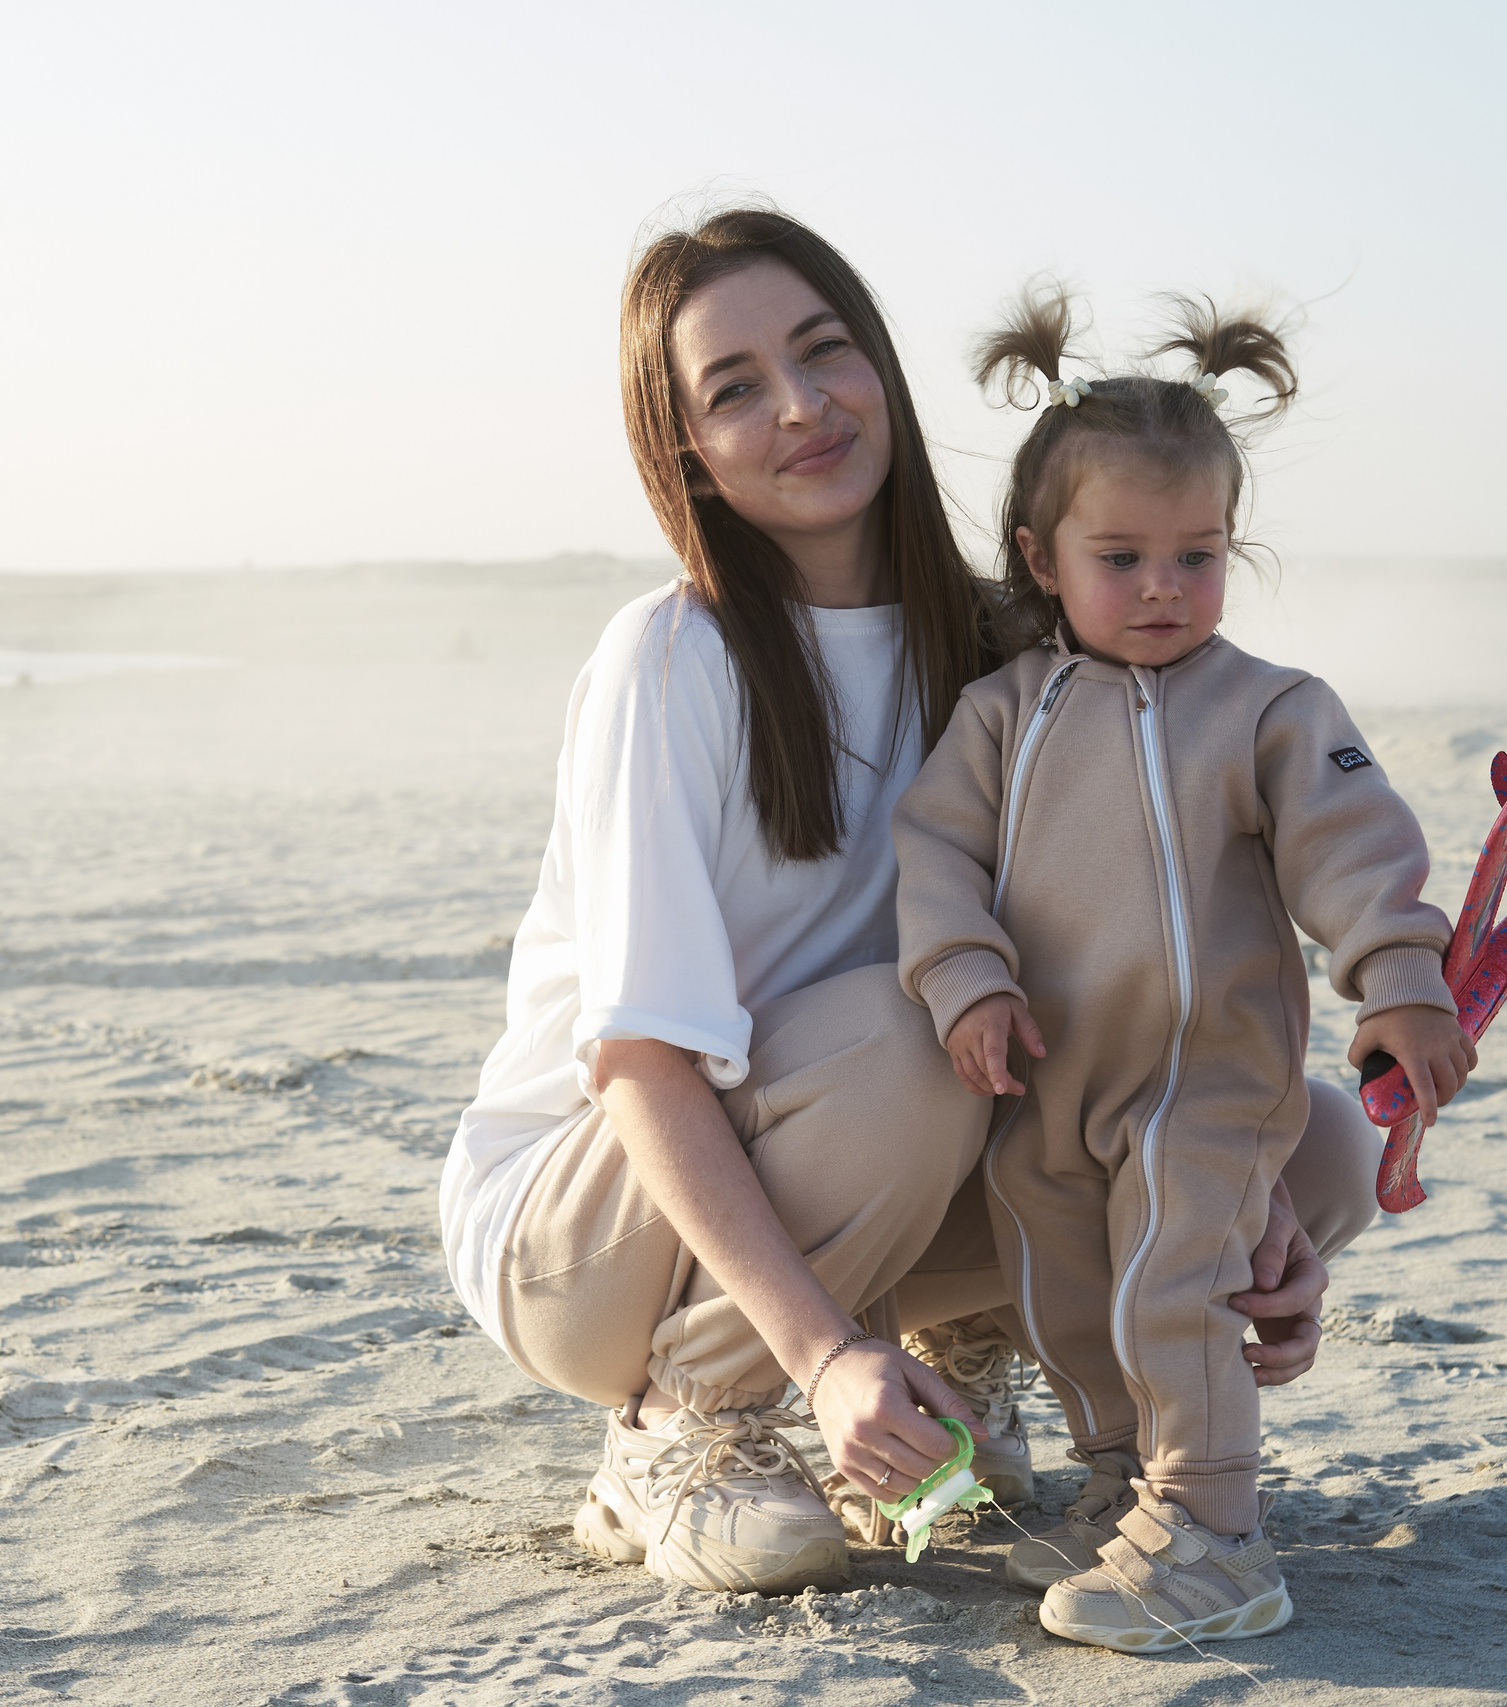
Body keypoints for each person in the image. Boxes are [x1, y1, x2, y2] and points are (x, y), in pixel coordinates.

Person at [438, 208, 1383, 1599]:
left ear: (882, 364)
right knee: (913, 1026)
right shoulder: (672, 658)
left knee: (1319, 1138)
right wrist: (820, 1356)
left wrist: (1246, 1197)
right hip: (594, 1236)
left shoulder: (1010, 646)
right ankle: (687, 1426)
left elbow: (1133, 970)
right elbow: (641, 1065)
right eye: (736, 388)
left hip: (875, 1163)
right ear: (683, 446)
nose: (804, 406)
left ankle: (956, 1364)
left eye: (827, 353)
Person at [892, 285, 1474, 1650]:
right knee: (1064, 1296)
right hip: (1044, 1082)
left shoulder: (1271, 708)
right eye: (1124, 555)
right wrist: (967, 980)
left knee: (1174, 1286)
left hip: (1202, 1083)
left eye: (1199, 553)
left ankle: (1214, 1530)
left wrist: (1396, 970)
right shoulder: (996, 717)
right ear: (1043, 556)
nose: (1165, 585)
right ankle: (1125, 1486)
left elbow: (1356, 845)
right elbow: (934, 863)